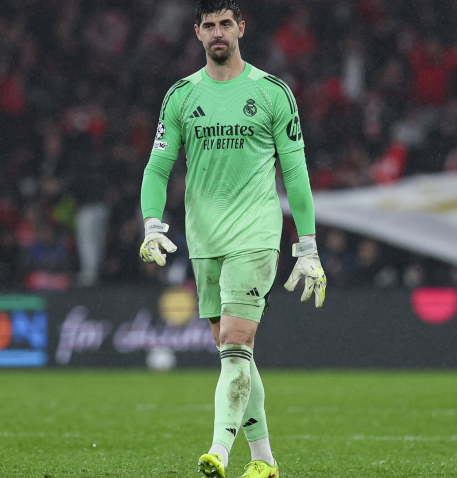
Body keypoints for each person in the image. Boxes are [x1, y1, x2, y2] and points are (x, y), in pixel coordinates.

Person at [138, 2, 326, 477]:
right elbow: (158, 166)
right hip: (204, 241)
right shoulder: (180, 96)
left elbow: (296, 172)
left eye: (226, 23)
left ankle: (218, 452)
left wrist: (307, 245)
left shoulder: (272, 92)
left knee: (237, 341)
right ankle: (263, 460)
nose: (218, 32)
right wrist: (151, 223)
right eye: (209, 25)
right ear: (197, 32)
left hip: (256, 235)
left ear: (241, 27)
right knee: (233, 351)